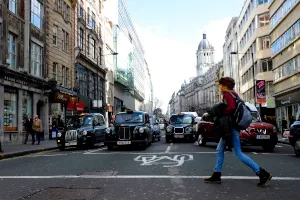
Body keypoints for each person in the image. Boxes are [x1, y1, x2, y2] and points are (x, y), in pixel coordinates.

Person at [204, 77, 272, 187]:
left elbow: (231, 107)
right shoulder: (234, 94)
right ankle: (216, 174)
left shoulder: (227, 94)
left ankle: (261, 173)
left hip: (231, 127)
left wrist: (221, 112)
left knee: (238, 153)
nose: (219, 88)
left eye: (220, 85)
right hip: (232, 126)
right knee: (220, 149)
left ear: (225, 86)